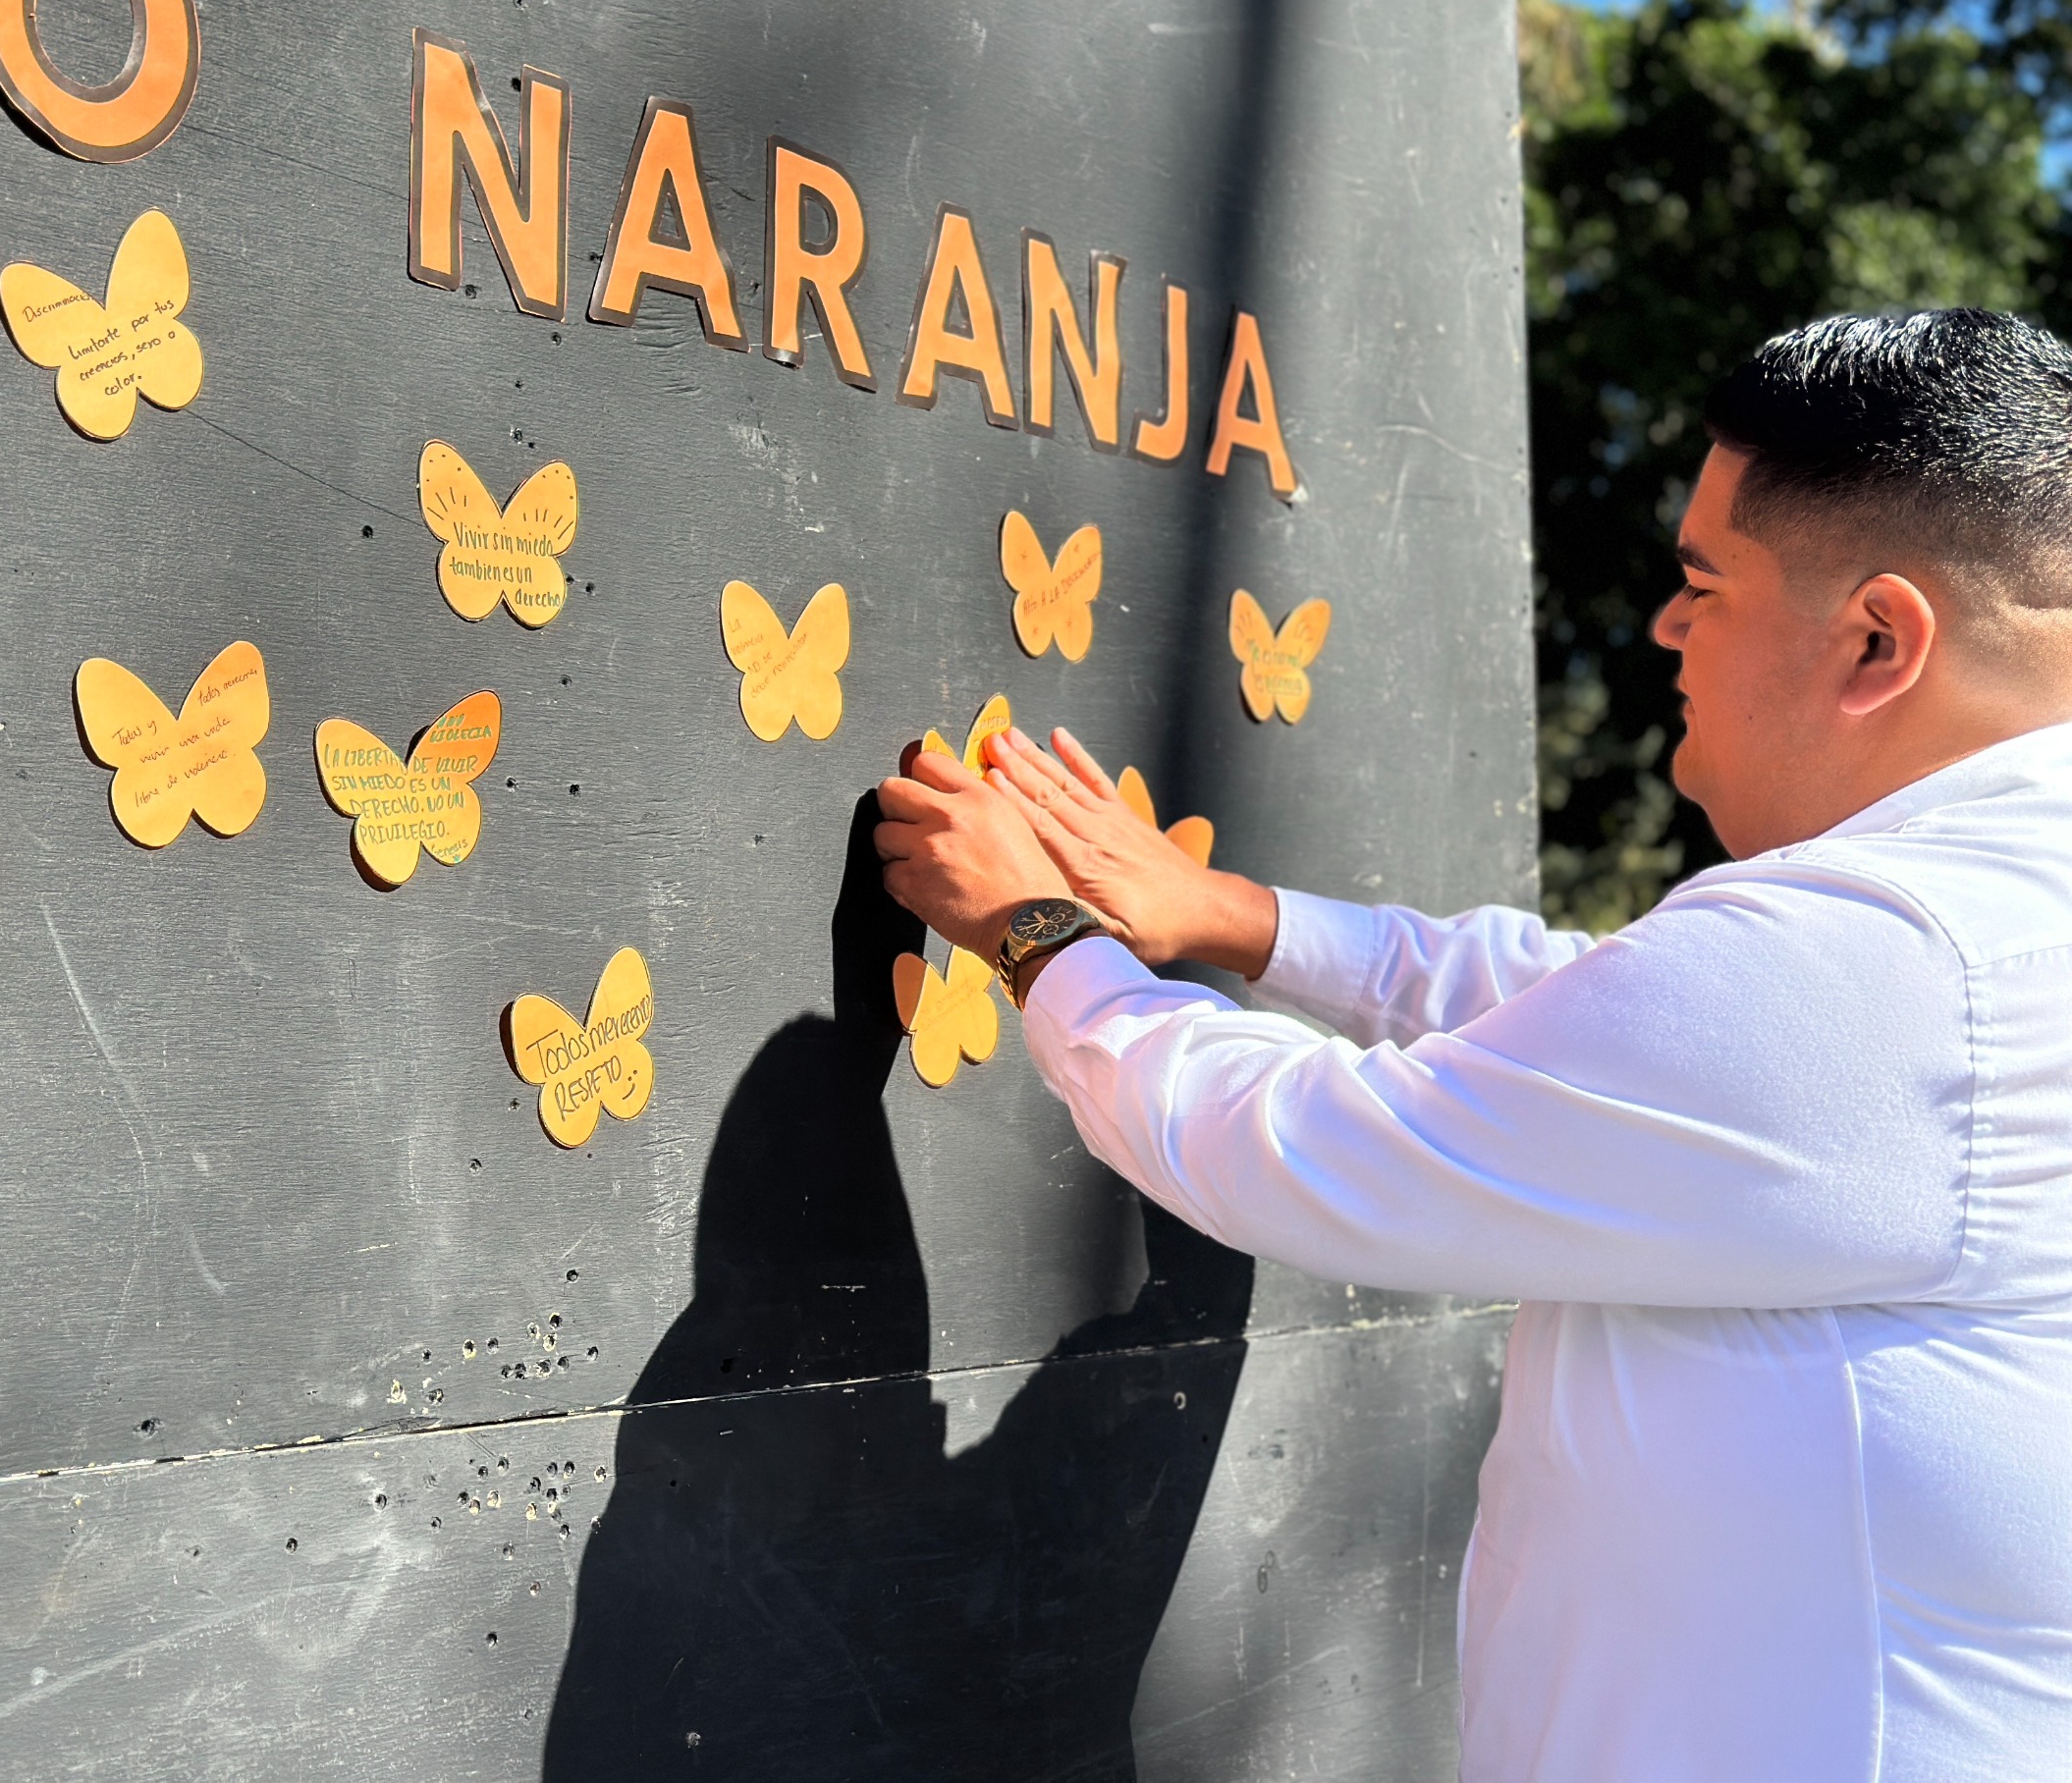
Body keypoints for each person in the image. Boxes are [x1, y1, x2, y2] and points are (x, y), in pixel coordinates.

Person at [873, 308, 2072, 1781]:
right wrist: (1243, 919)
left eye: (1704, 585)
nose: (1666, 628)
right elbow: (1616, 1008)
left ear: (1878, 638)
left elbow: (1299, 1152)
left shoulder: (1898, 960)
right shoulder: (1989, 923)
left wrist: (1036, 938)